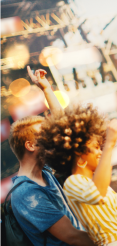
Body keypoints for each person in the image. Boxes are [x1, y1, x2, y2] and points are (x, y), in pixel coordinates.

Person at [37, 104, 117, 246]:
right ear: (78, 151)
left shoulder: (95, 182)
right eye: (96, 147)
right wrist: (109, 144)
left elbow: (112, 218)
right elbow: (97, 194)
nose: (100, 152)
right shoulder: (72, 182)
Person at [9, 67, 95, 246]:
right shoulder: (26, 193)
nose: (52, 136)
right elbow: (72, 237)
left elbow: (62, 125)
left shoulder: (44, 171)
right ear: (31, 145)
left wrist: (46, 89)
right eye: (45, 134)